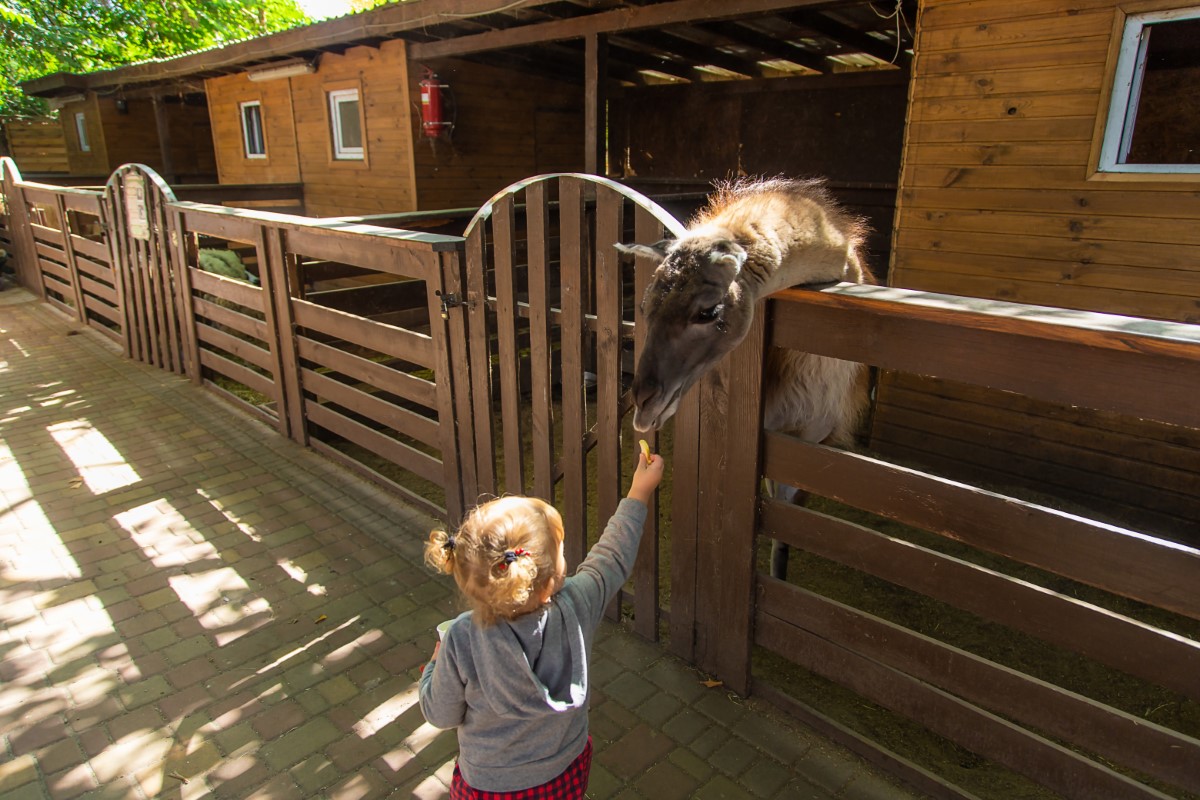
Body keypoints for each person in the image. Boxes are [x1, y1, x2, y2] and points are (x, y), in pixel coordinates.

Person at [419, 447, 665, 799]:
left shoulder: (460, 637)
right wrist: (639, 492)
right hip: (564, 772)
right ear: (549, 581)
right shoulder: (577, 605)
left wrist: (432, 665)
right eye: (560, 551)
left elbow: (439, 713)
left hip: (488, 786)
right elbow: (612, 556)